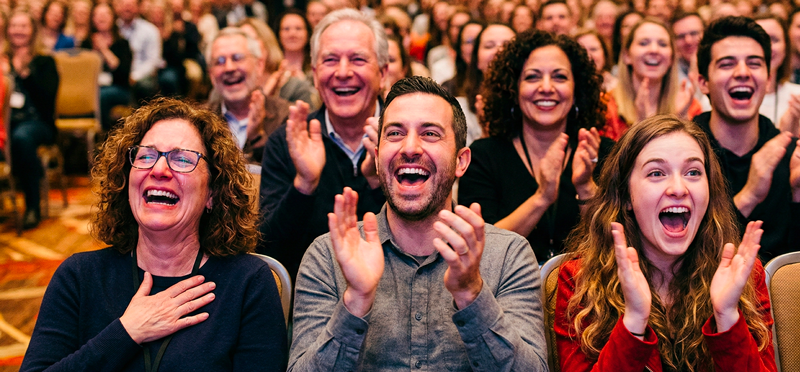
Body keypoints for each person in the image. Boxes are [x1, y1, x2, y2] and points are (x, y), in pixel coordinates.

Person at [289, 75, 548, 371]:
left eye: (430, 134)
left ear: (461, 162)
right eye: (395, 134)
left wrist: (471, 292)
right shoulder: (328, 256)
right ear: (376, 157)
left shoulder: (507, 255)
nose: (409, 148)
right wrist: (356, 301)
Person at [19, 98, 288, 372]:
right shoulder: (78, 276)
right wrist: (127, 332)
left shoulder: (247, 283)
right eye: (146, 156)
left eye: (182, 159)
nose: (159, 170)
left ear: (212, 194)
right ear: (126, 180)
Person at [554, 114, 775, 371]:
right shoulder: (579, 279)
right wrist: (634, 322)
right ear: (626, 195)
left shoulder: (744, 276)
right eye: (657, 173)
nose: (678, 188)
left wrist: (727, 317)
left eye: (693, 172)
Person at [460, 30, 614, 263]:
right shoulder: (483, 156)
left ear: (577, 89)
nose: (546, 87)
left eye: (559, 77)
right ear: (513, 88)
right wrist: (541, 197)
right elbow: (483, 250)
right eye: (532, 77)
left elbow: (616, 246)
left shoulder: (603, 153)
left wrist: (585, 187)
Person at [258, 8, 388, 280]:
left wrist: (380, 182)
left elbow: (432, 239)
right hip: (313, 300)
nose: (342, 72)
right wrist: (304, 185)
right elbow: (268, 254)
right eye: (330, 60)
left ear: (383, 72)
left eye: (358, 59)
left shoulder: (408, 138)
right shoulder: (288, 142)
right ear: (315, 75)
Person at [694, 16, 800, 262]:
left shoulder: (789, 153)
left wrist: (797, 196)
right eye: (727, 64)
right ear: (704, 82)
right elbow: (678, 256)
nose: (742, 73)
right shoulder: (683, 156)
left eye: (754, 63)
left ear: (768, 78)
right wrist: (749, 195)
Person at [4, 11, 59, 229]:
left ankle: (32, 206)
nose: (18, 30)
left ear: (32, 31)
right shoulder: (2, 59)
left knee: (21, 138)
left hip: (37, 123)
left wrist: (24, 74)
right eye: (14, 25)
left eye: (23, 26)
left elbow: (47, 100)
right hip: (5, 122)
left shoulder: (45, 62)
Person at [605, 18, 700, 141]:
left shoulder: (690, 106)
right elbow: (609, 159)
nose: (654, 50)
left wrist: (680, 119)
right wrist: (640, 124)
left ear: (671, 58)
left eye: (662, 44)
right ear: (626, 55)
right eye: (644, 43)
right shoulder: (605, 106)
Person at [206, 27, 289, 163]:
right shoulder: (199, 122)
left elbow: (289, 176)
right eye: (219, 61)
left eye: (237, 58)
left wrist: (257, 138)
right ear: (211, 74)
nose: (229, 68)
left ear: (259, 65)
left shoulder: (286, 118)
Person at [238, 17, 319, 111]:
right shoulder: (230, 89)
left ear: (266, 44)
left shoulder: (295, 88)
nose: (243, 47)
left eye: (250, 40)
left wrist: (268, 99)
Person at [460, 23, 515, 145]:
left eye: (507, 45)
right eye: (489, 46)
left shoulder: (531, 107)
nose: (498, 51)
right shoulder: (458, 110)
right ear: (477, 61)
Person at [82, 2, 133, 131]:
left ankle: (104, 138)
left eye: (105, 14)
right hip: (92, 88)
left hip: (118, 89)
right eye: (97, 15)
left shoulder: (122, 43)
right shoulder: (86, 43)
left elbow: (123, 73)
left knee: (101, 95)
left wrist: (104, 50)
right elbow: (82, 74)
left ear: (113, 18)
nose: (101, 18)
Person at [755, 15, 800, 134]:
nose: (768, 47)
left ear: (786, 47)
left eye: (774, 39)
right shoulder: (726, 97)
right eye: (759, 39)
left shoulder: (797, 96)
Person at [116, 0, 162, 103]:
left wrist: (134, 76)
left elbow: (153, 61)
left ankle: (142, 117)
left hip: (141, 76)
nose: (127, 8)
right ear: (118, 7)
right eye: (124, 5)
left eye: (131, 5)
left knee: (144, 87)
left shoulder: (150, 30)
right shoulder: (113, 29)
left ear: (138, 7)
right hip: (119, 76)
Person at [277, 9, 313, 81]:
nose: (292, 34)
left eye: (298, 28)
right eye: (286, 29)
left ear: (307, 33)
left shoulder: (317, 64)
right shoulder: (270, 65)